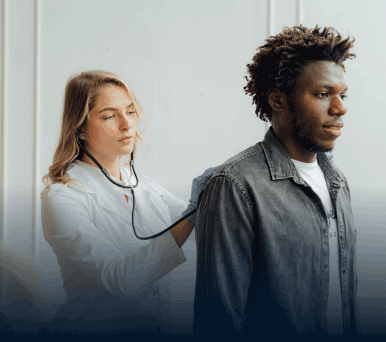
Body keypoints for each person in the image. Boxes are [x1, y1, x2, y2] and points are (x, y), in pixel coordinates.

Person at [194, 25, 359, 340]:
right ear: (278, 100)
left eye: (342, 94)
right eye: (323, 94)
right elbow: (217, 321)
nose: (340, 108)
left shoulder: (337, 183)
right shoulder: (235, 185)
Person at [41, 70, 216, 337]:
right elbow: (120, 278)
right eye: (110, 116)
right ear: (81, 129)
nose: (127, 124)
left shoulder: (145, 188)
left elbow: (207, 229)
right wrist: (194, 210)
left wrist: (228, 185)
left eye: (131, 112)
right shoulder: (63, 197)